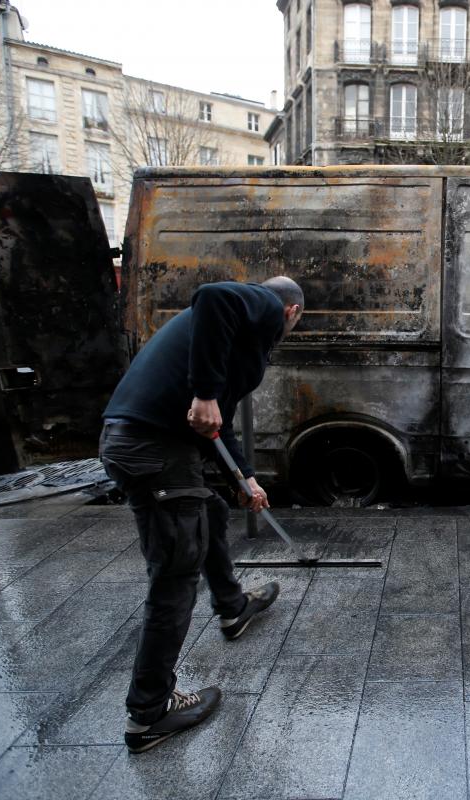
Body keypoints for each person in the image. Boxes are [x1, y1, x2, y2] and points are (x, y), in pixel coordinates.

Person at [99, 276, 304, 754]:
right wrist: (206, 393)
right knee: (174, 579)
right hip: (153, 449)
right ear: (291, 312)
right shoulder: (265, 305)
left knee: (208, 509)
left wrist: (244, 478)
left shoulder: (228, 340)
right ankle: (149, 715)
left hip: (148, 445)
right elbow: (214, 294)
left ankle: (233, 608)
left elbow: (216, 427)